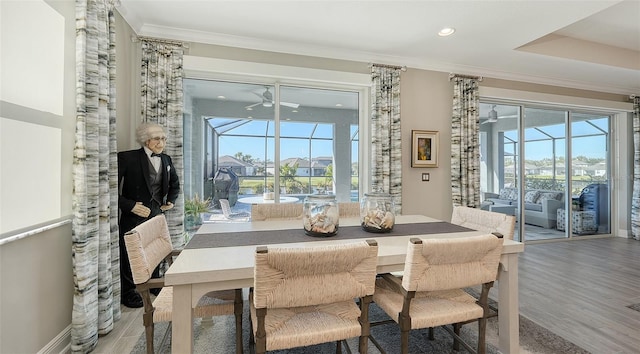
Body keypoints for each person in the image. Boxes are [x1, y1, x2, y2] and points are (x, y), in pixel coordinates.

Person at [118, 122, 180, 308]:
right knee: (131, 253)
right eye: (157, 139)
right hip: (135, 213)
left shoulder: (166, 160)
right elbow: (109, 188)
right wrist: (129, 206)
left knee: (155, 250)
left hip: (156, 212)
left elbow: (175, 183)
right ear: (146, 140)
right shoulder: (127, 158)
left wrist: (171, 200)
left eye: (163, 138)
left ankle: (154, 282)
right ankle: (128, 292)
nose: (161, 142)